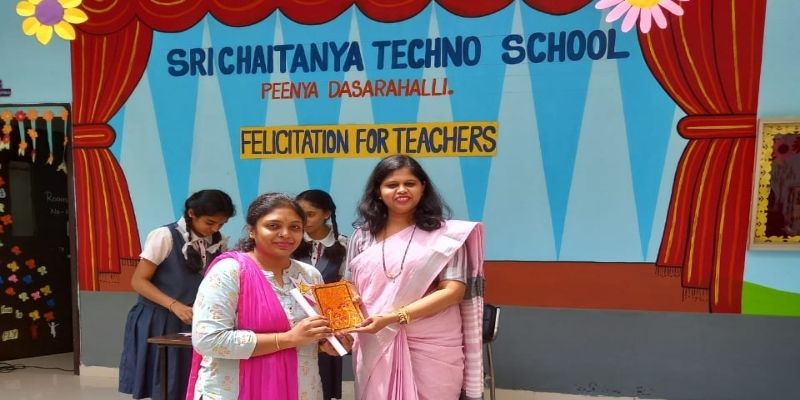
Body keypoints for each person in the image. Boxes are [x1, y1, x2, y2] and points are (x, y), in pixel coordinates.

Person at [186, 192, 353, 400]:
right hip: (234, 391)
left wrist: (327, 343)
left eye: (295, 227)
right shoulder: (229, 271)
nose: (286, 234)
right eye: (273, 226)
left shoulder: (309, 275)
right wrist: (287, 339)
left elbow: (308, 336)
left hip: (302, 389)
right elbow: (208, 340)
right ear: (252, 230)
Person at [347, 154, 485, 400]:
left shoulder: (446, 236)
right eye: (392, 184)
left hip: (432, 344)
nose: (401, 190)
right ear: (378, 191)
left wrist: (394, 317)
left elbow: (453, 291)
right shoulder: (362, 235)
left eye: (409, 183)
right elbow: (349, 283)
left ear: (423, 187)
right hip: (376, 339)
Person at [119, 189, 236, 400]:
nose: (215, 229)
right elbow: (139, 281)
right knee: (164, 383)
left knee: (189, 382)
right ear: (191, 213)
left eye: (221, 224)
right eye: (210, 222)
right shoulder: (164, 236)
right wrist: (174, 305)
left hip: (192, 320)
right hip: (160, 318)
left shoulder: (217, 243)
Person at [292, 189, 349, 400]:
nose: (304, 220)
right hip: (293, 321)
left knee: (324, 381)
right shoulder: (291, 241)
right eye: (300, 214)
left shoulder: (344, 244)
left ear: (326, 214)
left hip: (328, 322)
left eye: (310, 214)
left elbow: (346, 285)